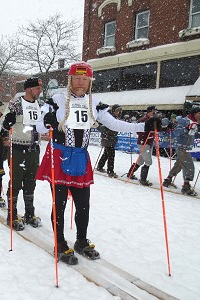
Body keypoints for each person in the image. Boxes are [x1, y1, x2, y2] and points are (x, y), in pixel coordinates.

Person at [35, 61, 146, 265]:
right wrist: (48, 120)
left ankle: (80, 241)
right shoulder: (56, 100)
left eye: (85, 79)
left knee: (83, 204)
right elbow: (39, 127)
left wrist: (143, 126)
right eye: (77, 78)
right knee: (59, 204)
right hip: (59, 156)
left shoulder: (94, 102)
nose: (80, 83)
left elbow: (113, 123)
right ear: (70, 80)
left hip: (80, 157)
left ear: (90, 82)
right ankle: (59, 243)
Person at [2, 77, 44, 231]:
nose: (40, 91)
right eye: (37, 88)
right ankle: (11, 215)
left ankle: (29, 213)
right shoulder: (16, 103)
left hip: (34, 148)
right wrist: (8, 121)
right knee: (16, 183)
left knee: (30, 183)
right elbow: (3, 121)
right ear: (28, 89)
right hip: (18, 149)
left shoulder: (41, 104)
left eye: (40, 88)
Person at [162, 106, 200, 196]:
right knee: (189, 165)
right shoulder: (184, 120)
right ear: (194, 113)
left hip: (186, 146)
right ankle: (186, 186)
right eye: (199, 113)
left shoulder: (195, 122)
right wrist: (187, 128)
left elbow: (193, 134)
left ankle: (168, 180)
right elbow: (176, 132)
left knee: (179, 164)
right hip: (181, 146)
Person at [126, 105, 157, 186]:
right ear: (149, 111)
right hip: (143, 142)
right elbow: (138, 131)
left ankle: (130, 173)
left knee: (140, 161)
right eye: (154, 111)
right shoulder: (143, 120)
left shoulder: (153, 120)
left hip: (148, 142)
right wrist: (148, 132)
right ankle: (143, 180)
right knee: (148, 162)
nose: (155, 113)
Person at [96, 104, 122, 178]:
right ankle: (110, 171)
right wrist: (105, 129)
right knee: (111, 155)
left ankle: (100, 166)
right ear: (114, 111)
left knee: (106, 154)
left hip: (112, 139)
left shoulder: (117, 119)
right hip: (107, 139)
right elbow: (100, 127)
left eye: (120, 111)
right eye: (117, 111)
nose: (119, 112)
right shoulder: (109, 118)